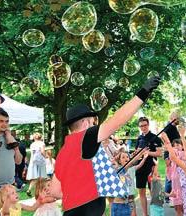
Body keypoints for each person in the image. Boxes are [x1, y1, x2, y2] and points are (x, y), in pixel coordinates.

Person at [48, 76, 160, 215]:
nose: (95, 125)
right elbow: (117, 120)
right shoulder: (84, 137)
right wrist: (144, 92)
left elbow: (54, 190)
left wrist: (78, 191)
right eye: (93, 122)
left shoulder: (63, 152)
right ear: (85, 123)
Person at [135, 116, 162, 216]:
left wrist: (147, 152)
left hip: (151, 168)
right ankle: (145, 214)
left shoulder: (155, 137)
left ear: (148, 125)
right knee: (141, 192)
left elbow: (159, 153)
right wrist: (136, 154)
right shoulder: (139, 138)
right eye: (141, 126)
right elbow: (137, 153)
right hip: (140, 168)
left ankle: (154, 213)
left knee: (153, 192)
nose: (143, 127)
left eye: (145, 125)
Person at [0, 109, 22, 216]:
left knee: (10, 214)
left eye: (7, 121)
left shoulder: (10, 138)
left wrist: (15, 147)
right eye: (1, 121)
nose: (4, 124)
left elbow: (18, 161)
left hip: (9, 186)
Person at [112, 148, 149, 216]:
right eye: (123, 157)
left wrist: (144, 158)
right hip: (122, 199)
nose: (126, 158)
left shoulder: (131, 169)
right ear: (119, 161)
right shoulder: (119, 170)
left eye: (127, 157)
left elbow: (139, 165)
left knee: (133, 214)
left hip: (131, 198)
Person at [163, 111, 180, 204]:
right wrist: (169, 148)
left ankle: (172, 194)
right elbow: (163, 136)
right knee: (169, 174)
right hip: (169, 153)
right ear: (173, 118)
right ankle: (167, 196)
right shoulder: (168, 127)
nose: (178, 119)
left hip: (174, 153)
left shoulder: (174, 128)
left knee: (173, 173)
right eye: (177, 117)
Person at [26, 132, 47, 197]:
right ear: (40, 137)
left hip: (34, 161)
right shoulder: (41, 143)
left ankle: (30, 190)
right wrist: (46, 156)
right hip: (40, 161)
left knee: (35, 177)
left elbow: (33, 153)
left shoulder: (32, 144)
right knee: (42, 177)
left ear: (34, 137)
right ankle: (42, 192)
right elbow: (42, 151)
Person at [167, 139, 184, 216]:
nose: (175, 147)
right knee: (177, 208)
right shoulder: (172, 157)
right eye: (174, 146)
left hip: (182, 185)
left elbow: (177, 154)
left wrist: (170, 148)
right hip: (175, 184)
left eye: (178, 145)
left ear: (182, 146)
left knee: (184, 206)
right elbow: (169, 168)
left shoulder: (183, 154)